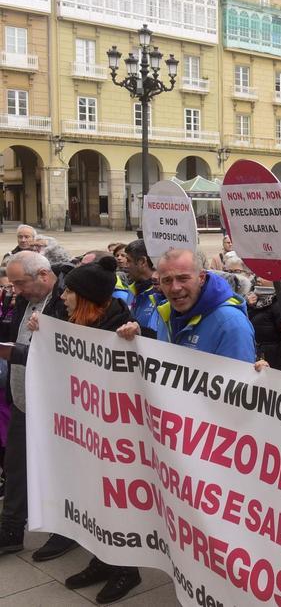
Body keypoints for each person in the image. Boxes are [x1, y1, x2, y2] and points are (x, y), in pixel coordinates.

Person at [26, 256, 147, 602]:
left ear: (86, 297)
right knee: (93, 498)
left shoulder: (122, 327)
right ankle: (103, 559)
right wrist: (40, 335)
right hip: (87, 435)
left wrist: (137, 337)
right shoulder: (73, 323)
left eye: (69, 292)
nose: (63, 297)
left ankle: (127, 570)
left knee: (115, 502)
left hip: (116, 442)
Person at [0, 252, 74, 561]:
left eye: (20, 283)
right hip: (22, 398)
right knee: (16, 466)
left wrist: (13, 353)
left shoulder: (67, 300)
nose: (15, 290)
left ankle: (66, 530)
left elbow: (67, 352)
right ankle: (11, 529)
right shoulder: (24, 299)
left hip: (57, 404)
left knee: (61, 469)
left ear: (43, 275)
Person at [116, 249, 255, 362]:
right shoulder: (166, 311)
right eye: (167, 280)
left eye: (183, 278)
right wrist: (139, 339)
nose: (175, 288)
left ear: (201, 278)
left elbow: (238, 384)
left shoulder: (231, 323)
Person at [247, 276, 281, 371]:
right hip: (256, 358)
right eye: (258, 275)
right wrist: (248, 306)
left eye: (263, 276)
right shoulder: (255, 300)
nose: (258, 279)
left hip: (270, 364)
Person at [121, 239, 164, 336]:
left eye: (128, 260)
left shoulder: (162, 294)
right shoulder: (132, 290)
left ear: (142, 262)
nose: (125, 265)